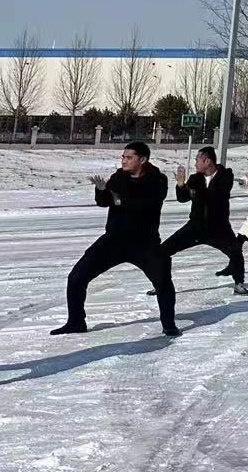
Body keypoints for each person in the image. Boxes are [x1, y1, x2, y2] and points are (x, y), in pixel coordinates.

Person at [53, 141, 180, 337]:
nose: (124, 161)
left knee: (163, 282)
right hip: (114, 240)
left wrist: (120, 201)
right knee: (76, 277)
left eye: (129, 157)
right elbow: (104, 202)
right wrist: (102, 190)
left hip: (144, 243)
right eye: (123, 157)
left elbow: (148, 204)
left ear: (142, 160)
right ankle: (76, 322)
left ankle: (169, 325)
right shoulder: (119, 177)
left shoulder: (157, 179)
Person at [162, 147, 247, 296]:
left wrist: (196, 190)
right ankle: (161, 285)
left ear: (207, 161)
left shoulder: (225, 175)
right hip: (195, 226)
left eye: (197, 160)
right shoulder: (195, 178)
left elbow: (216, 195)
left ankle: (239, 283)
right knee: (162, 251)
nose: (195, 164)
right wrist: (181, 185)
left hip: (218, 227)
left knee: (235, 252)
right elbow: (183, 198)